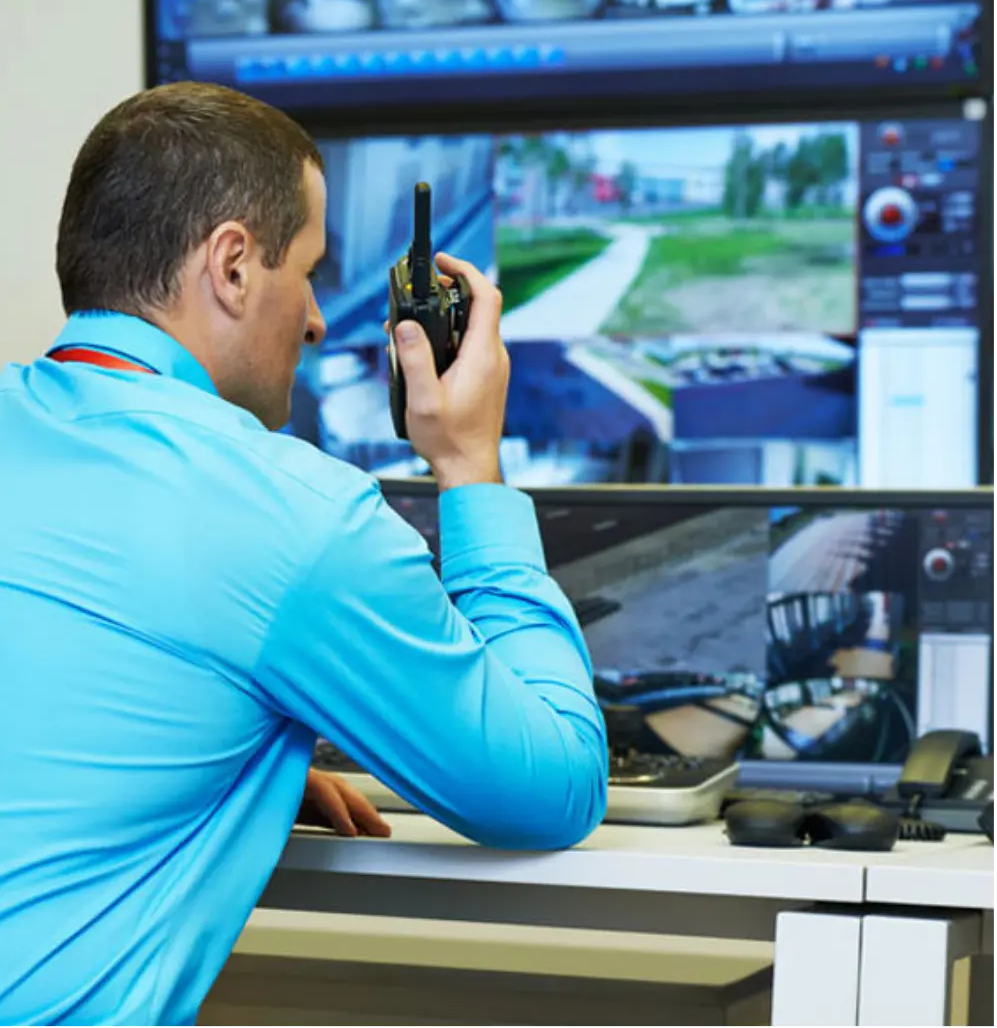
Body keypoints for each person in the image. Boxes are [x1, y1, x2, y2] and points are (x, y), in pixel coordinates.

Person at [0, 82, 608, 1026]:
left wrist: (219, 744)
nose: (320, 318)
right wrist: (469, 463)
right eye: (311, 271)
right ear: (233, 267)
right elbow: (555, 785)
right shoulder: (297, 516)